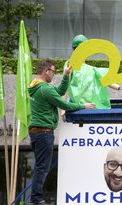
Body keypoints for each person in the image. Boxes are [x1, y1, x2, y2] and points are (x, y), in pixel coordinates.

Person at [28, 59, 95, 205]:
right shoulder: (44, 89)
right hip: (43, 132)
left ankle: (36, 197)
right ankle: (36, 199)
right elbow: (63, 103)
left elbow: (58, 92)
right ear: (46, 71)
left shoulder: (36, 86)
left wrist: (66, 75)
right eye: (53, 71)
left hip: (37, 132)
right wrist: (84, 105)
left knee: (40, 165)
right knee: (42, 167)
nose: (53, 74)